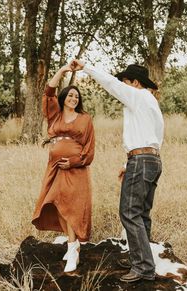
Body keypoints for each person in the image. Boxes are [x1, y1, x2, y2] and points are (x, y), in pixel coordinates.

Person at [71, 60, 164, 282]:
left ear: (135, 82)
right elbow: (154, 138)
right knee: (141, 213)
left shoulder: (138, 95)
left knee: (129, 212)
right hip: (151, 160)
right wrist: (127, 164)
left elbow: (110, 84)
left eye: (126, 81)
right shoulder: (150, 103)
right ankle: (138, 257)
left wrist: (86, 67)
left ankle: (143, 267)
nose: (122, 85)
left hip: (141, 161)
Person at [32, 63, 95, 273]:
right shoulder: (55, 115)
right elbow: (49, 90)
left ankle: (73, 248)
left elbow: (89, 148)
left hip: (75, 168)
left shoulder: (85, 119)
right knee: (56, 203)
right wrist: (64, 70)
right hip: (55, 168)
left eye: (77, 97)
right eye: (70, 96)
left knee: (72, 206)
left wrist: (74, 161)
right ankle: (73, 245)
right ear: (63, 99)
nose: (74, 99)